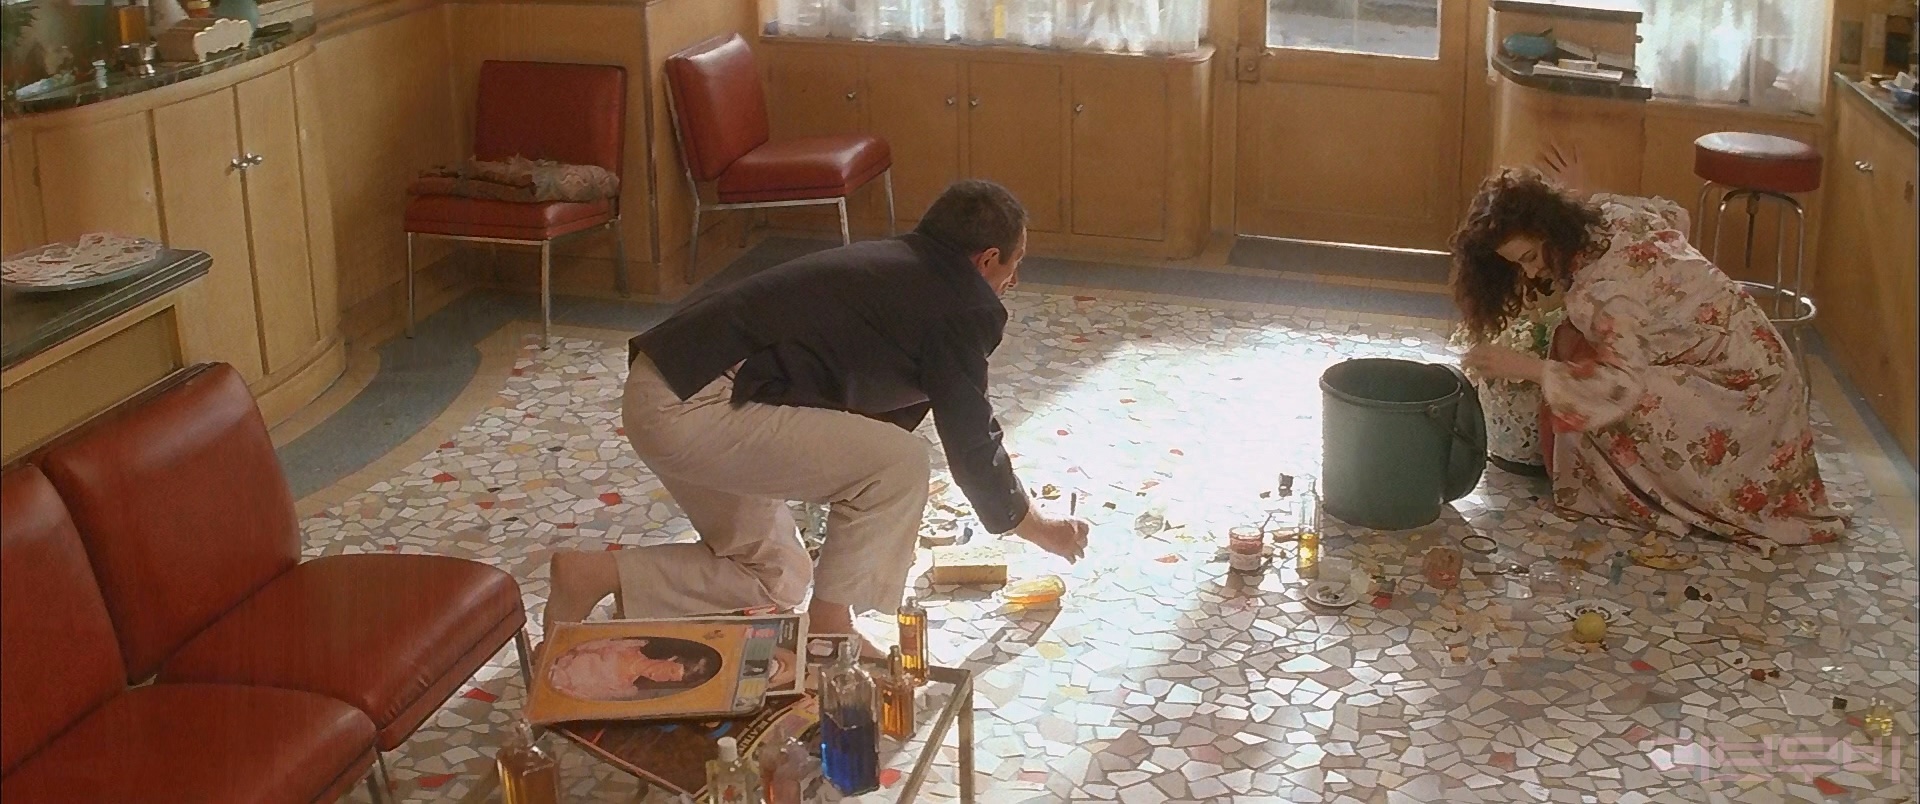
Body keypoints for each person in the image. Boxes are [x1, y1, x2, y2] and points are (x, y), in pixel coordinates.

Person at [545, 180, 1091, 646]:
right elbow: (971, 439)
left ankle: (593, 575)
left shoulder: (901, 266)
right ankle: (830, 632)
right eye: (1015, 265)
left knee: (777, 576)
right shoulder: (961, 304)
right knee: (901, 465)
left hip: (665, 386)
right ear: (986, 260)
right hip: (697, 407)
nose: (1013, 282)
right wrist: (1041, 530)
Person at [1451, 147, 1845, 551]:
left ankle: (1679, 492)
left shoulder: (1600, 292)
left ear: (1550, 228)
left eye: (1530, 257)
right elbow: (1676, 216)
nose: (1532, 271)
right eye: (1519, 265)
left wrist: (1527, 368)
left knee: (1607, 397)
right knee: (1572, 345)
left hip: (1747, 396)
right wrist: (1581, 198)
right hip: (1765, 359)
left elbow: (1618, 387)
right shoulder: (1609, 212)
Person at [548, 637, 718, 701]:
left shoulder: (625, 688)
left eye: (669, 679)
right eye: (671, 671)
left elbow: (581, 696)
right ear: (671, 659)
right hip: (555, 657)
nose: (663, 676)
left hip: (553, 684)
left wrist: (556, 687)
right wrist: (556, 654)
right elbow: (583, 645)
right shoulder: (630, 647)